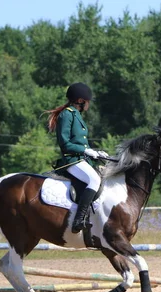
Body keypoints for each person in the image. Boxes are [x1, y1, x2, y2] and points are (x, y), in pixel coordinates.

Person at [46, 82, 109, 233]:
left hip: (81, 159)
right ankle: (78, 220)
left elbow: (81, 143)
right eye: (87, 102)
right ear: (81, 101)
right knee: (94, 180)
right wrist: (85, 151)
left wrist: (96, 152)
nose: (89, 104)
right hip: (71, 160)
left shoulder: (76, 114)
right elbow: (65, 144)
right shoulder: (66, 115)